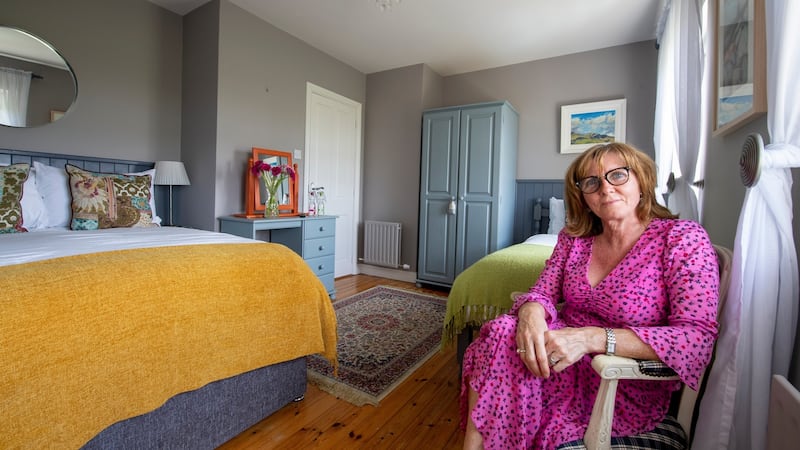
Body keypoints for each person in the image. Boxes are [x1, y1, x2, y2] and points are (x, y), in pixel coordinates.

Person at [461, 142, 720, 449]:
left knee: (504, 353)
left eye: (618, 175)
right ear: (583, 195)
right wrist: (530, 311)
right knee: (503, 331)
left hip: (619, 381)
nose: (606, 188)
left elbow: (695, 339)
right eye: (592, 182)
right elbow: (543, 290)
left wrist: (589, 338)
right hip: (558, 365)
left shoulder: (681, 239)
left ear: (642, 181)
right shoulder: (574, 240)